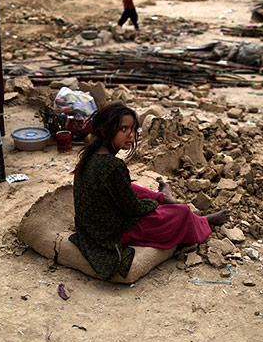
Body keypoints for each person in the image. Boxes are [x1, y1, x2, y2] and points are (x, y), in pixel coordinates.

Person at [69, 102, 230, 281]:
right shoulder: (112, 166)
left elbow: (123, 194)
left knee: (132, 189)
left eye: (132, 129)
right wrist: (153, 204)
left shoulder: (90, 156)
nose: (130, 135)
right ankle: (203, 221)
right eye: (123, 129)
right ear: (105, 131)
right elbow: (133, 209)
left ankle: (165, 198)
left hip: (92, 225)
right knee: (181, 212)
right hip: (110, 232)